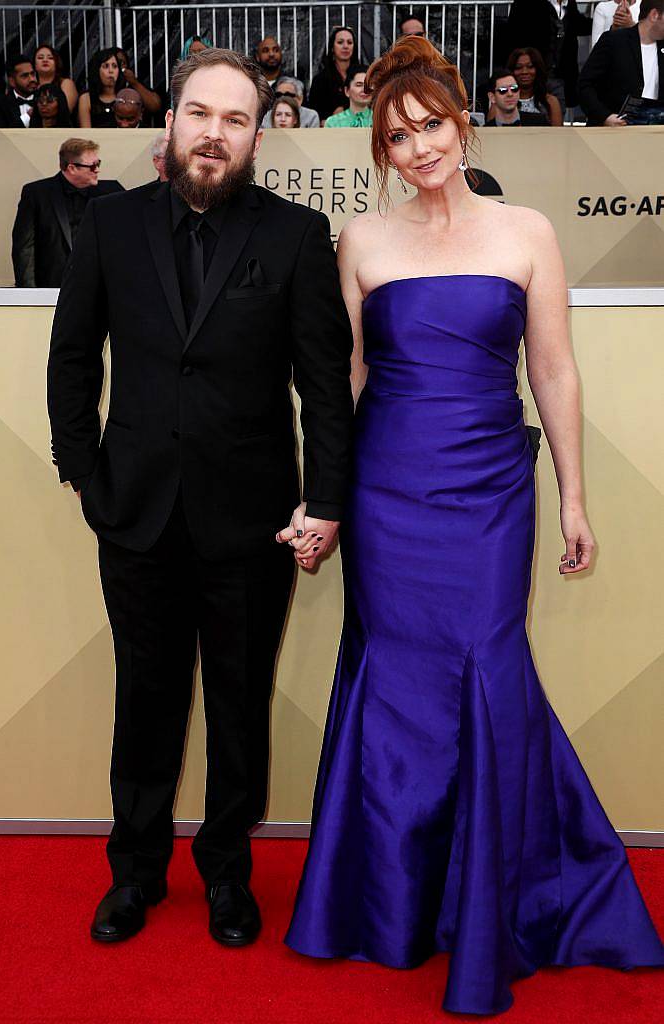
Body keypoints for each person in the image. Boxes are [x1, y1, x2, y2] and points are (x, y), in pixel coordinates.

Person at [285, 34, 664, 1016]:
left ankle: (494, 900)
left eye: (429, 127)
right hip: (385, 489)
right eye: (396, 136)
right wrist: (320, 497)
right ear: (380, 151)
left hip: (492, 488)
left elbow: (552, 370)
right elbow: (345, 382)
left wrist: (573, 496)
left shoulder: (527, 230)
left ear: (462, 123)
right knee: (398, 682)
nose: (417, 148)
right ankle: (394, 902)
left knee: (487, 668)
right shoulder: (361, 243)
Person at [47, 46, 353, 948]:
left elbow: (324, 386)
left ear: (257, 136)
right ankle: (134, 872)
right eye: (200, 114)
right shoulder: (108, 225)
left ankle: (227, 873)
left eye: (234, 119)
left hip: (254, 522)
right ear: (169, 120)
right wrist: (86, 475)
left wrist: (324, 499)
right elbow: (72, 359)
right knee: (143, 700)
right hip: (133, 513)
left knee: (236, 701)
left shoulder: (294, 236)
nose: (214, 134)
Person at [12, 138, 122, 287]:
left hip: (99, 285)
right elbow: (24, 248)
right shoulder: (37, 193)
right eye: (92, 166)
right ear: (71, 168)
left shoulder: (112, 192)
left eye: (98, 164)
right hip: (53, 285)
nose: (97, 170)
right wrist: (29, 293)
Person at [579, 0, 664, 123]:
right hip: (614, 130)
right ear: (654, 15)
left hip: (655, 130)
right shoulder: (613, 41)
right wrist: (605, 116)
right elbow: (585, 85)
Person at [505, 0, 592, 112]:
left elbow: (578, 24)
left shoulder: (569, 3)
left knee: (557, 115)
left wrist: (608, 23)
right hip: (533, 75)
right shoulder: (524, 3)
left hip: (560, 75)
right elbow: (514, 37)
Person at [308, 25, 358, 123]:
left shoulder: (363, 74)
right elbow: (315, 113)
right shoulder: (320, 79)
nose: (345, 46)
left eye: (350, 42)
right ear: (332, 47)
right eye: (340, 42)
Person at [507, 47, 563, 123]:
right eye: (518, 67)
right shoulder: (501, 102)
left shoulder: (551, 102)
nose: (524, 72)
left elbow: (558, 134)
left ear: (538, 69)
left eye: (530, 67)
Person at [485, 67, 551, 125]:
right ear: (492, 97)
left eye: (514, 88)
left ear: (519, 91)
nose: (510, 94)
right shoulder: (485, 132)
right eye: (503, 90)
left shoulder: (539, 122)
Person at [77, 47, 124, 128]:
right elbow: (85, 133)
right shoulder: (86, 98)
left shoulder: (125, 95)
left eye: (114, 66)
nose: (111, 71)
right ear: (97, 70)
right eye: (105, 66)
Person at [0, 55, 37, 127]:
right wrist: (27, 117)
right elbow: (0, 134)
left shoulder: (44, 100)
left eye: (32, 74)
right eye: (25, 76)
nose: (32, 79)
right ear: (12, 81)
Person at [115, 48, 162, 122]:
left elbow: (155, 106)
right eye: (114, 64)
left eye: (121, 63)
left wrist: (134, 82)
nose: (116, 68)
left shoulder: (133, 84)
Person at [34, 44, 78, 115]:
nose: (45, 60)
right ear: (34, 65)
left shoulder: (65, 83)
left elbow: (65, 110)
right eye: (40, 58)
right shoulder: (31, 87)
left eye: (50, 58)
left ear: (56, 63)